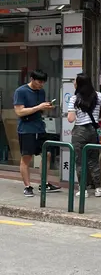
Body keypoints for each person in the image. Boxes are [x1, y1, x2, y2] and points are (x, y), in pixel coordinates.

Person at [13, 69, 60, 197]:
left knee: (47, 154)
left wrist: (46, 107)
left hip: (39, 127)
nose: (41, 85)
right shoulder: (21, 91)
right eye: (39, 82)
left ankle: (44, 183)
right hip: (26, 129)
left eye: (43, 82)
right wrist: (39, 107)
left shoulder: (41, 91)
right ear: (32, 79)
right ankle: (27, 186)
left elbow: (38, 110)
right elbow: (19, 111)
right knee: (26, 157)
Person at [67, 72, 101, 198]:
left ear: (79, 83)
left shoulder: (74, 99)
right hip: (93, 130)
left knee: (79, 161)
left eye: (75, 81)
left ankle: (83, 189)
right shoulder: (97, 95)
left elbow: (70, 119)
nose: (74, 83)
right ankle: (98, 188)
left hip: (79, 131)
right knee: (93, 160)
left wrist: (72, 112)